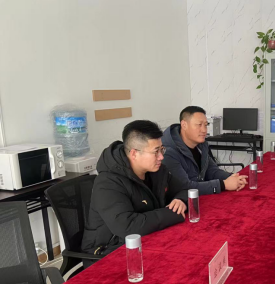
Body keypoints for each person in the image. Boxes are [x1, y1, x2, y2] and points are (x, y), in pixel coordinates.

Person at [81, 120, 188, 258]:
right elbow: (128, 227)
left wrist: (180, 200)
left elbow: (184, 189)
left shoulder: (157, 171)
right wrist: (172, 214)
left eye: (162, 149)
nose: (161, 157)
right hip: (108, 252)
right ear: (134, 154)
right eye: (156, 151)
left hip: (148, 240)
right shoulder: (107, 183)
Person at [162, 106, 248, 195]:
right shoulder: (167, 152)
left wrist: (233, 177)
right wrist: (223, 185)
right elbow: (185, 187)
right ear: (184, 125)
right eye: (199, 125)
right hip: (181, 201)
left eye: (206, 125)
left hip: (202, 196)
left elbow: (211, 171)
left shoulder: (202, 145)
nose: (204, 130)